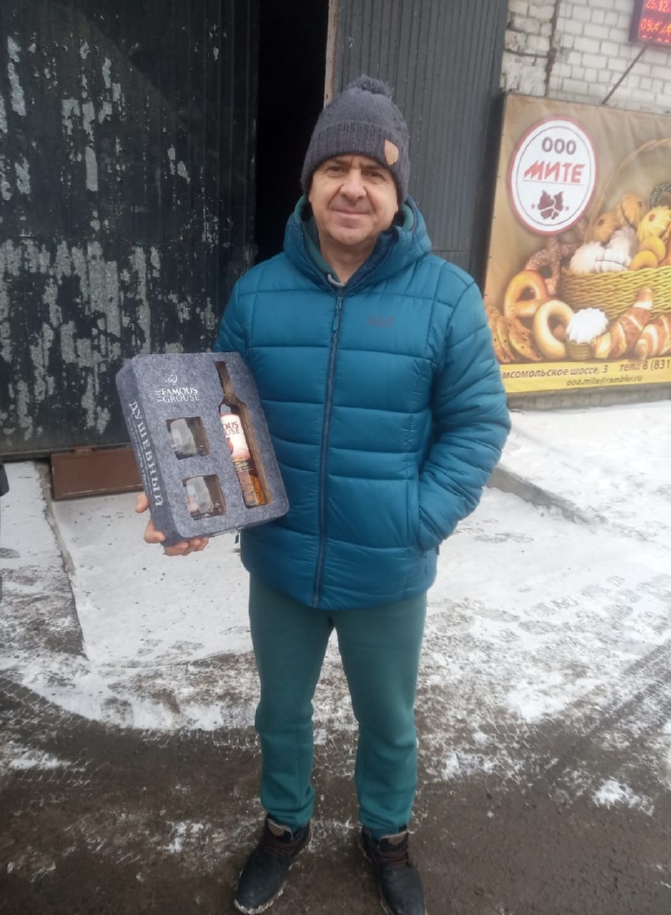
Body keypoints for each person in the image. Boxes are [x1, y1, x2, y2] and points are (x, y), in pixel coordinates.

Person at [138, 75, 510, 915]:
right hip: (281, 561)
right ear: (309, 182)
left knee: (389, 720)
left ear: (396, 192)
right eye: (335, 167)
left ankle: (386, 834)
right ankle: (284, 824)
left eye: (373, 173)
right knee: (279, 711)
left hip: (387, 566)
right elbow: (225, 422)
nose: (352, 187)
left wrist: (418, 517)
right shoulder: (259, 292)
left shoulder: (445, 299)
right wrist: (194, 506)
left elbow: (477, 424)